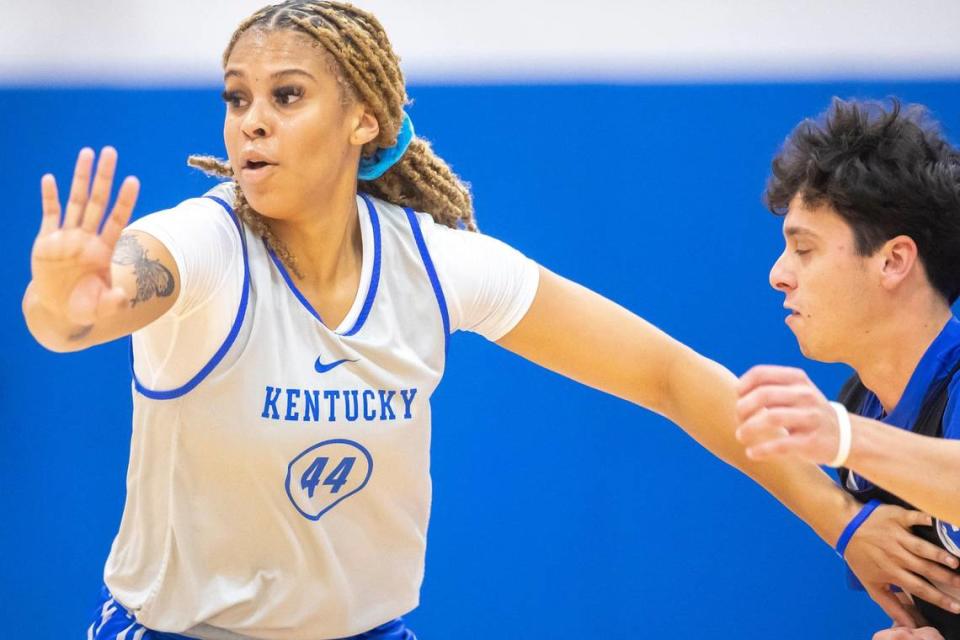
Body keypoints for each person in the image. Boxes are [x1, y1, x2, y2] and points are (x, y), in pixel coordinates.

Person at [21, 3, 960, 638]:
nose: (250, 122)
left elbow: (671, 378)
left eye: (286, 95)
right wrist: (67, 305)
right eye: (236, 98)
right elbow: (82, 316)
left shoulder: (431, 264)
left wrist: (841, 525)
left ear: (362, 119)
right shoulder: (201, 243)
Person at [734, 99, 960, 639]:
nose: (778, 275)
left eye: (803, 249)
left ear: (893, 261)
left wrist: (842, 436)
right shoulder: (863, 401)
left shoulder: (858, 428)